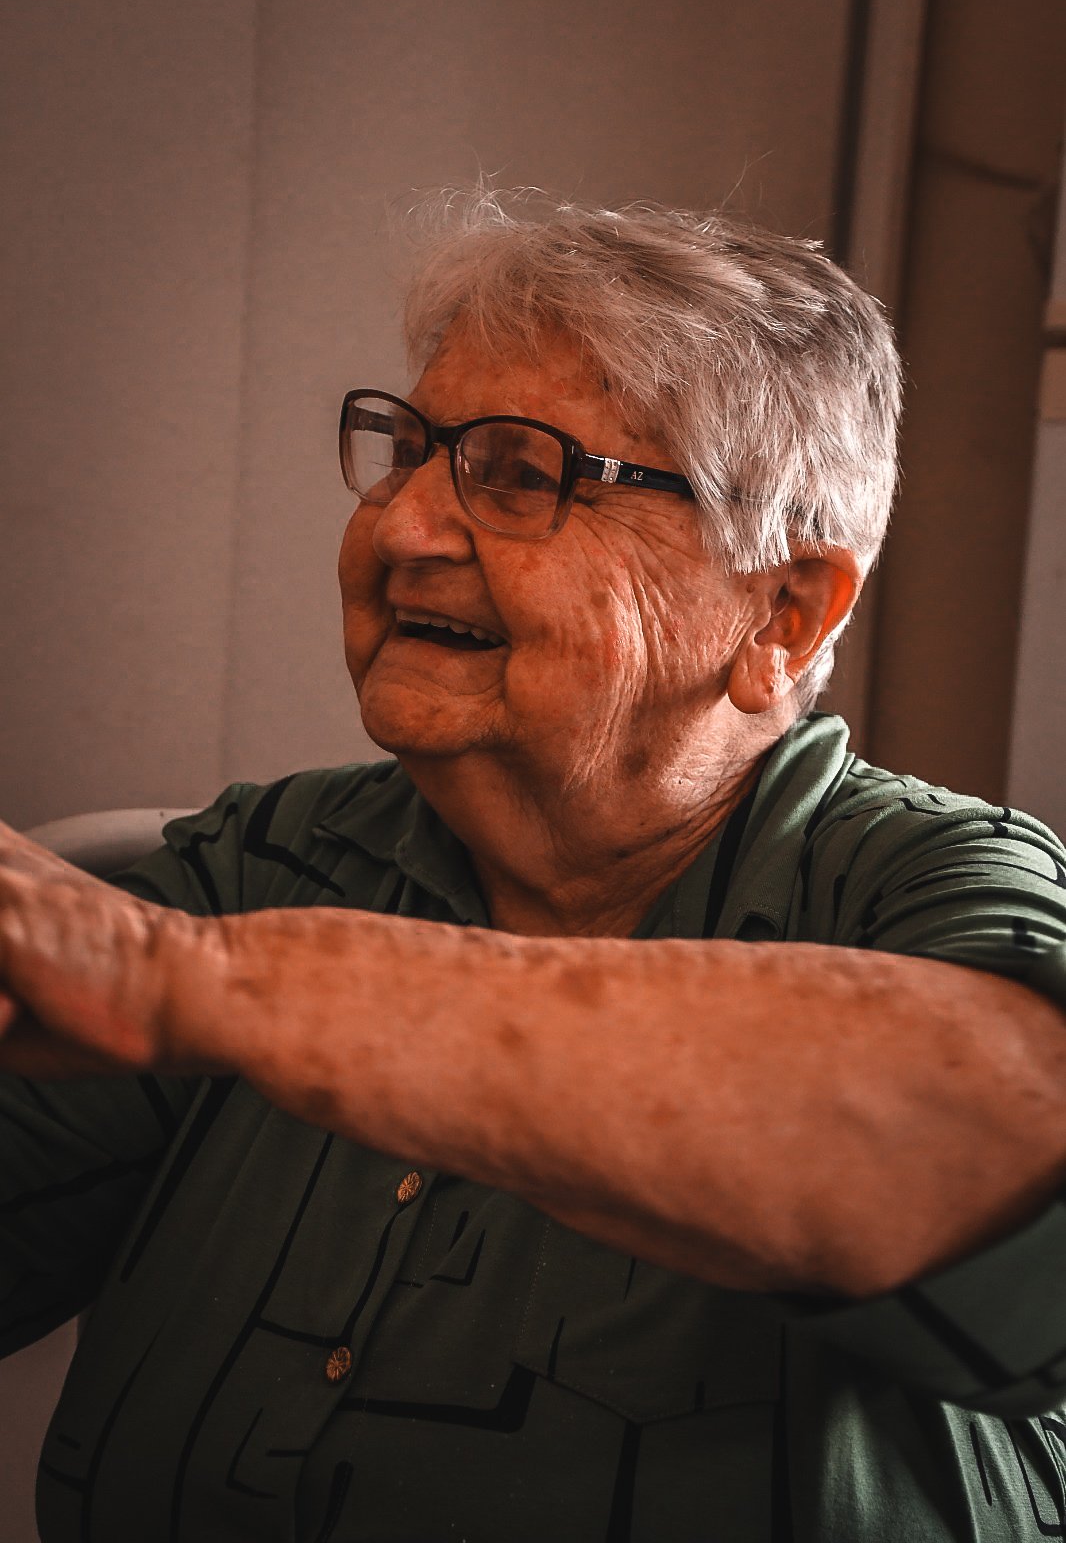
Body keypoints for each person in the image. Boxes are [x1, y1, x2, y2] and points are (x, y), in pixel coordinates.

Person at [3, 191, 1066, 1543]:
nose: (401, 528)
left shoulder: (928, 885)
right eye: (408, 450)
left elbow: (1000, 1131)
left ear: (783, 611)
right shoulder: (261, 863)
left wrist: (198, 986)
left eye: (519, 473)